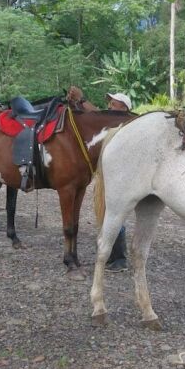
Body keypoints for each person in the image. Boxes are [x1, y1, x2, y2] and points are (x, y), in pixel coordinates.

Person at [67, 86, 131, 272]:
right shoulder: (110, 123)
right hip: (109, 174)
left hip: (119, 177)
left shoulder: (123, 122)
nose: (109, 106)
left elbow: (95, 113)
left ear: (124, 109)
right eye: (109, 103)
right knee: (107, 214)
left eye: (114, 104)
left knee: (114, 213)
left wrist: (81, 99)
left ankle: (119, 258)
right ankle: (112, 256)